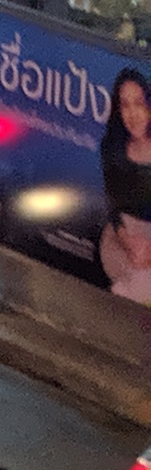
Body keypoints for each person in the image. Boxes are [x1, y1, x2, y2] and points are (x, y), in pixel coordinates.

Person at [100, 70, 151, 302]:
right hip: (124, 240)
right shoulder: (114, 147)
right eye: (125, 105)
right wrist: (126, 240)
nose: (133, 114)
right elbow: (113, 205)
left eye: (139, 103)